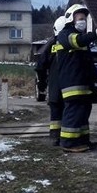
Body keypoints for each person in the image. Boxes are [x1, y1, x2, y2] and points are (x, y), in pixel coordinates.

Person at [56, 3, 97, 153]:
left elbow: (87, 61)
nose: (83, 21)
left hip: (83, 83)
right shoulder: (65, 34)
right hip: (72, 83)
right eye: (80, 18)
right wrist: (93, 35)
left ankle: (82, 140)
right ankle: (68, 143)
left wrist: (95, 77)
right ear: (71, 19)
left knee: (83, 112)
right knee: (74, 112)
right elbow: (76, 41)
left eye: (84, 18)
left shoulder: (82, 38)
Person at [35, 15, 67, 145]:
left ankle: (54, 137)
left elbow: (40, 67)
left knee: (55, 115)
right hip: (70, 85)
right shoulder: (72, 42)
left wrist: (41, 85)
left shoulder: (50, 45)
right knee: (69, 114)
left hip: (54, 87)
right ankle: (67, 138)